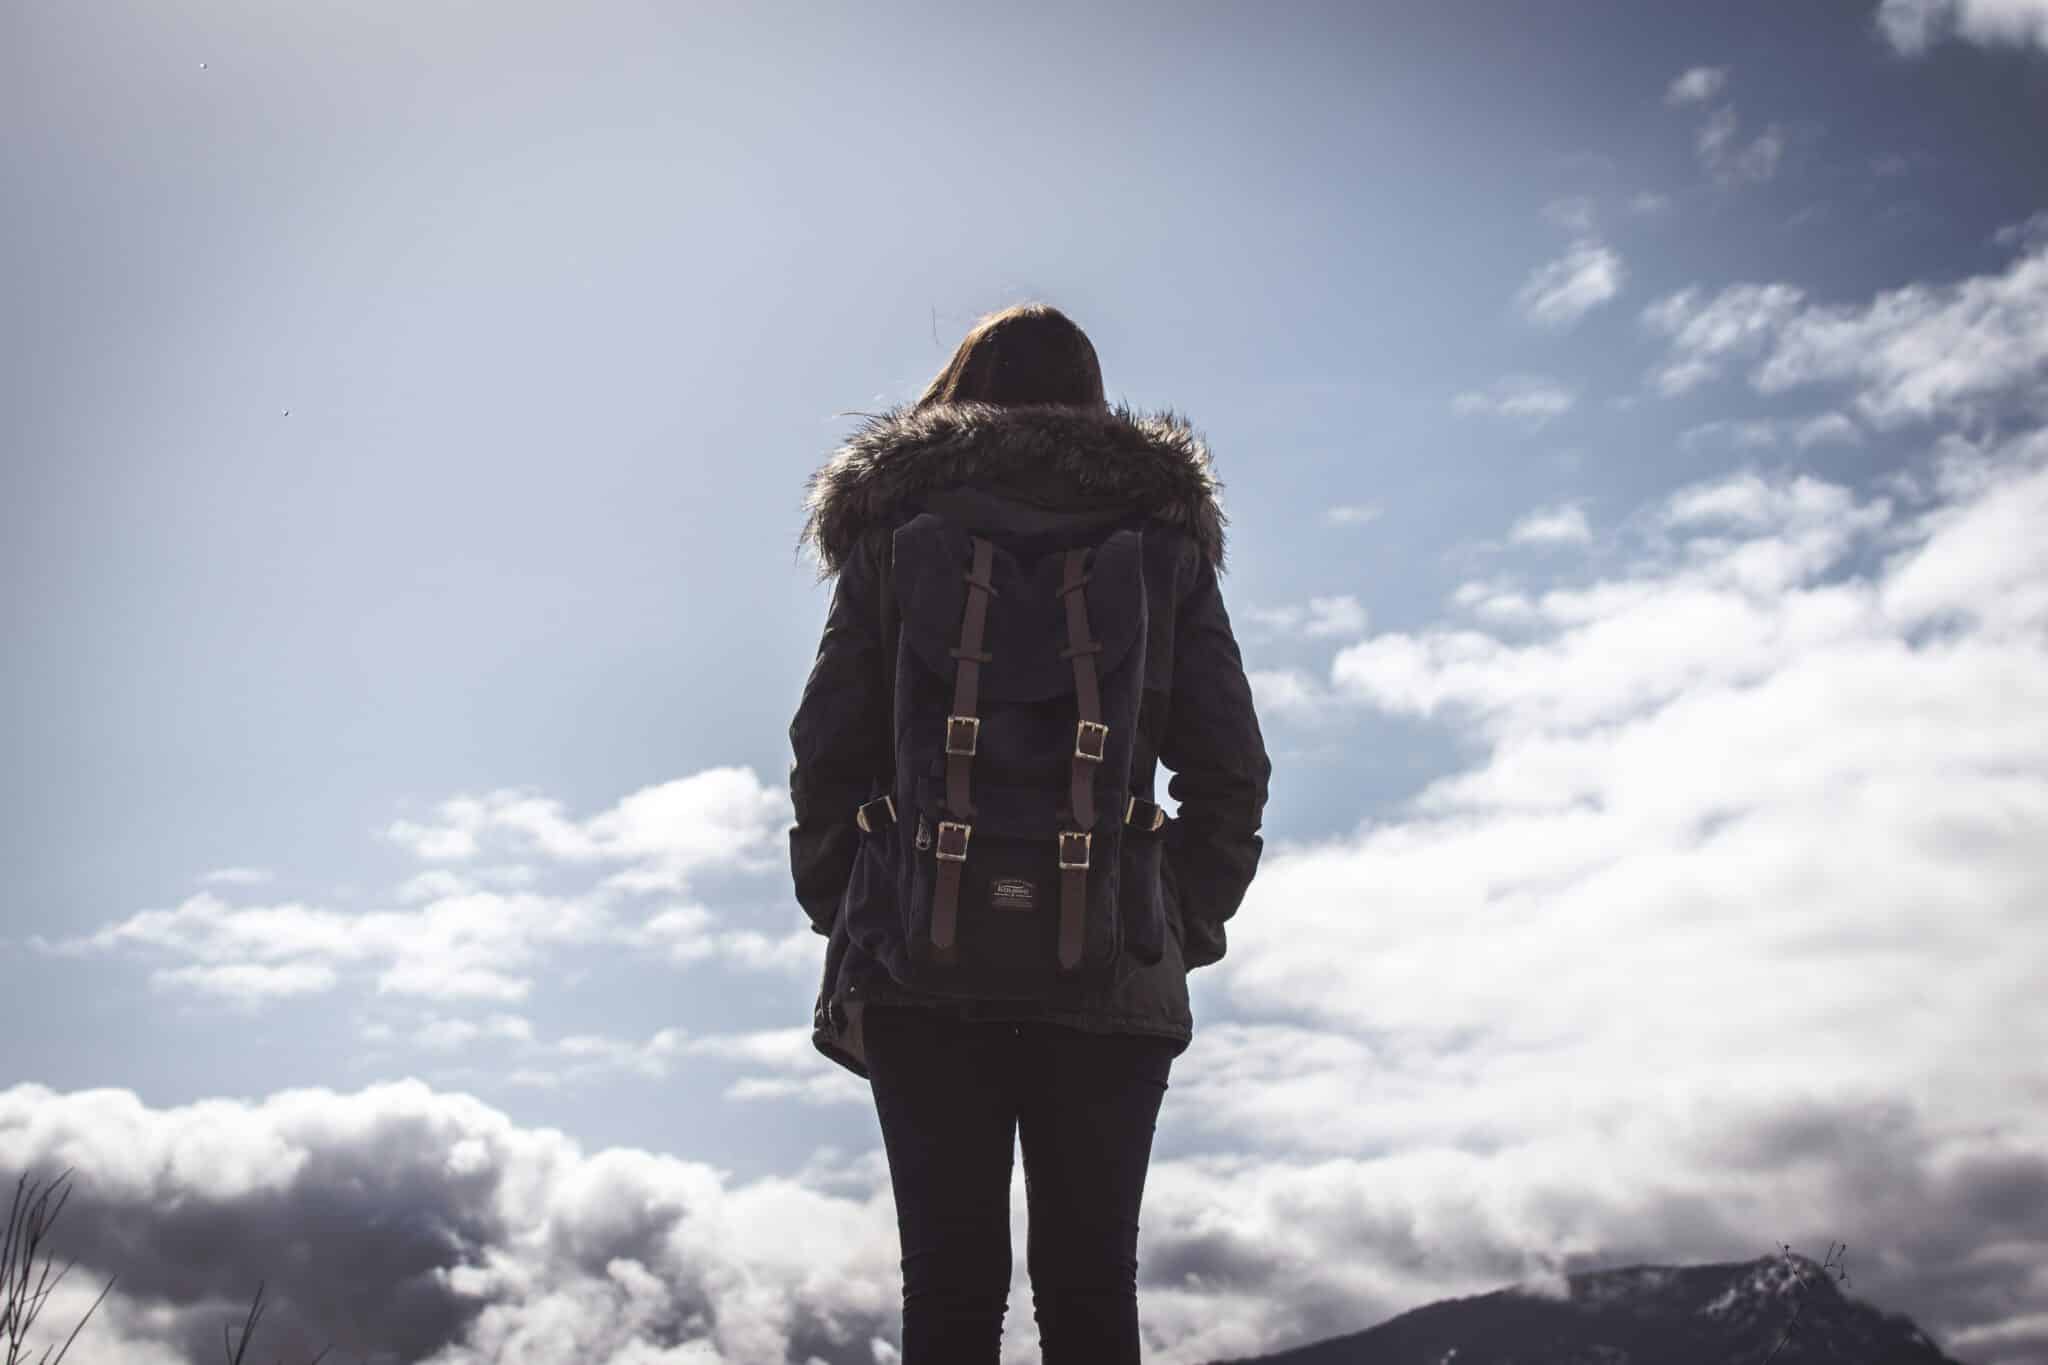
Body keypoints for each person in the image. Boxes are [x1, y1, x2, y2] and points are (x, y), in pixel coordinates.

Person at [788, 302, 1271, 1363]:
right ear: (1094, 403)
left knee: (951, 1299)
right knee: (1091, 1294)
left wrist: (863, 911)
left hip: (918, 960)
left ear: (958, 391)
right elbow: (1230, 772)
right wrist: (1164, 919)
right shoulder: (1162, 544)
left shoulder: (890, 536)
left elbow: (827, 753)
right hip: (1109, 966)